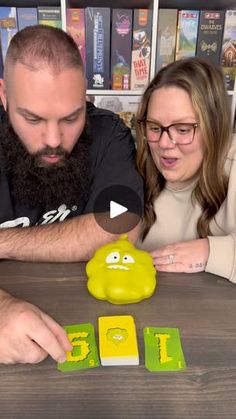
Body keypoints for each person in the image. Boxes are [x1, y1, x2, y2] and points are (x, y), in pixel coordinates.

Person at [0, 25, 143, 364]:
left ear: (85, 99)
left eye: (71, 117)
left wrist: (3, 242)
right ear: (4, 96)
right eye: (32, 118)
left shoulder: (109, 134)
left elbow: (122, 228)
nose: (53, 139)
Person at [136, 57, 236, 283]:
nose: (164, 144)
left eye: (182, 129)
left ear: (215, 129)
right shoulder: (132, 168)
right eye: (154, 128)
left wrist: (210, 251)